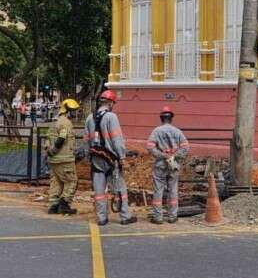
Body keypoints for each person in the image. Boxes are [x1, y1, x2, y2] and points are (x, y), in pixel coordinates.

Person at [84, 90, 137, 226]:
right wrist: (122, 157)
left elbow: (87, 140)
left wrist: (88, 155)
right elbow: (117, 140)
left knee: (99, 190)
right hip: (111, 159)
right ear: (111, 103)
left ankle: (102, 218)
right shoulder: (111, 117)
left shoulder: (90, 117)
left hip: (96, 158)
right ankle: (125, 216)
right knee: (120, 188)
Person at [146, 106, 189, 224]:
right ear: (171, 118)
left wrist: (161, 155)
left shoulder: (157, 131)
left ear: (161, 118)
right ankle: (172, 216)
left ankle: (158, 218)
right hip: (173, 165)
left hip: (160, 165)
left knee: (158, 190)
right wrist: (174, 156)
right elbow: (186, 147)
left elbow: (150, 147)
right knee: (173, 190)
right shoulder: (177, 131)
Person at [46, 99, 80, 215]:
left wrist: (50, 153)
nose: (75, 113)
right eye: (73, 111)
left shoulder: (54, 122)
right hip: (64, 159)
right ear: (67, 110)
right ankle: (64, 204)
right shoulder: (66, 123)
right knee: (72, 181)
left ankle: (53, 205)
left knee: (56, 182)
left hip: (53, 160)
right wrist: (54, 150)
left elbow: (48, 141)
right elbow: (61, 138)